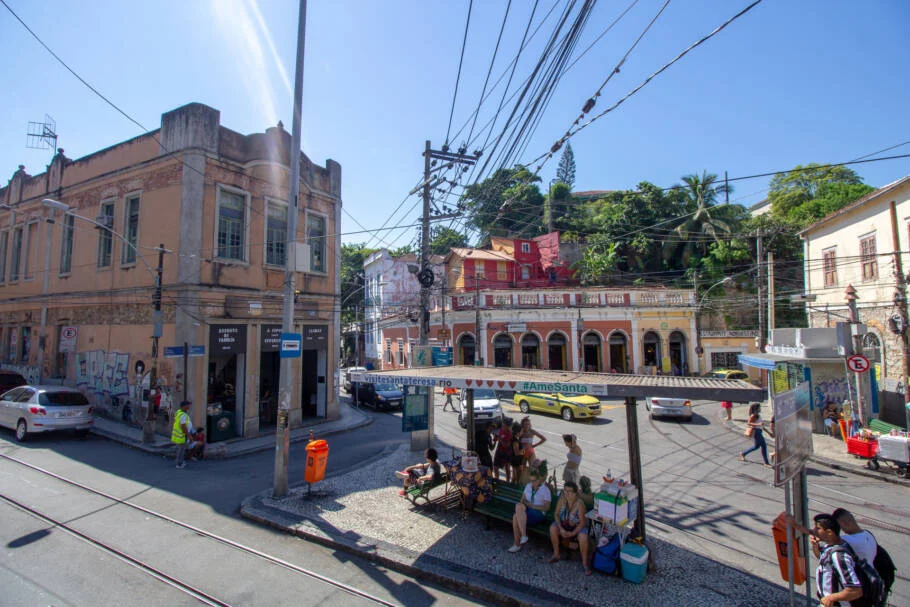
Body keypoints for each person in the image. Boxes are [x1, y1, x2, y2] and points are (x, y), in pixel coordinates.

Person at [812, 513, 864, 607]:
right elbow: (822, 559)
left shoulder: (838, 555)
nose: (814, 530)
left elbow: (855, 590)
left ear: (829, 532)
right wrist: (815, 546)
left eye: (818, 528)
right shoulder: (830, 546)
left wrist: (830, 598)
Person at [547, 481, 592, 575]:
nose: (566, 493)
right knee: (553, 528)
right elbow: (556, 514)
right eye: (565, 491)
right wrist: (561, 528)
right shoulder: (562, 500)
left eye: (569, 491)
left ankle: (585, 564)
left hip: (577, 527)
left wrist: (572, 533)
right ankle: (556, 554)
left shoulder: (579, 504)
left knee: (583, 537)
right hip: (564, 525)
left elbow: (582, 523)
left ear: (575, 493)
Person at [508, 468, 552, 553]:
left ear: (539, 479)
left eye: (534, 481)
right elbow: (522, 500)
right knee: (518, 507)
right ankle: (523, 536)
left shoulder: (545, 490)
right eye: (531, 480)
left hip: (538, 513)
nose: (532, 483)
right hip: (526, 509)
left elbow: (547, 507)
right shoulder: (528, 486)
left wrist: (533, 506)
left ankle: (517, 544)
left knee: (515, 516)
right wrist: (526, 503)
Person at [739, 402, 771, 466]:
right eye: (759, 407)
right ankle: (766, 462)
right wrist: (758, 424)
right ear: (756, 408)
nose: (760, 409)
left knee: (756, 446)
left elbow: (761, 426)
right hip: (756, 432)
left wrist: (769, 432)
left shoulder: (758, 416)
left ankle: (743, 454)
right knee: (763, 446)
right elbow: (749, 423)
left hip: (759, 431)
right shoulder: (754, 415)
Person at [171, 400, 192, 469]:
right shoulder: (183, 415)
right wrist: (188, 435)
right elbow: (183, 426)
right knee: (181, 450)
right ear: (184, 406)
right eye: (188, 405)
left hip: (179, 434)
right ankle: (180, 463)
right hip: (182, 435)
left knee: (180, 449)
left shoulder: (178, 412)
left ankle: (179, 461)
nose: (189, 406)